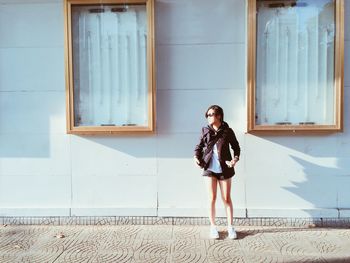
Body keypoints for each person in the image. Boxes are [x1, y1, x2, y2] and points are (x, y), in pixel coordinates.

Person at [194, 105, 241, 239]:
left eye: (211, 114)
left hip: (224, 168)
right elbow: (198, 147)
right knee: (212, 198)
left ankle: (230, 227)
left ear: (219, 115)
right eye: (207, 115)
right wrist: (195, 157)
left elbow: (236, 148)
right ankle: (213, 227)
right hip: (209, 168)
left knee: (226, 198)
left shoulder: (228, 131)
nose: (209, 117)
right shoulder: (205, 131)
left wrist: (234, 159)